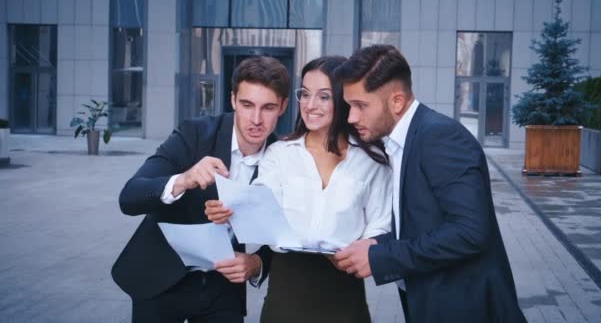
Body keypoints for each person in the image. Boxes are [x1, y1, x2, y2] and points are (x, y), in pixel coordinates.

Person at [333, 45, 527, 323]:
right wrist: (375, 243)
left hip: (466, 310)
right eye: (349, 105)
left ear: (396, 102)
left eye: (360, 106)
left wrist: (380, 257)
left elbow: (470, 232)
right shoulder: (400, 142)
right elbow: (424, 224)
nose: (351, 117)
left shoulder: (440, 137)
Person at [205, 56, 392, 323]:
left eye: (324, 96)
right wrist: (229, 211)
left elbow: (380, 225)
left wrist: (364, 250)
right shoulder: (280, 154)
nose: (310, 105)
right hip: (287, 295)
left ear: (343, 98)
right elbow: (259, 210)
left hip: (344, 295)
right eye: (304, 94)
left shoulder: (371, 160)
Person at [111, 56, 290, 323]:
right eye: (247, 104)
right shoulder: (194, 134)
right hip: (160, 277)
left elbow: (292, 229)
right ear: (232, 100)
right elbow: (130, 197)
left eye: (268, 108)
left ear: (283, 107)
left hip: (222, 288)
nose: (256, 119)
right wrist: (183, 179)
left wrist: (257, 263)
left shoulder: (284, 158)